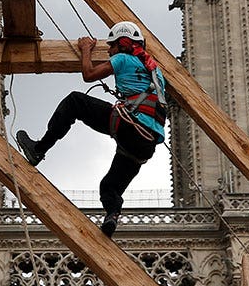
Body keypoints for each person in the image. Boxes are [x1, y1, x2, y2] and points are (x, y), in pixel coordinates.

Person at [15, 21, 167, 237]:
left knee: (75, 102)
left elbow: (88, 74)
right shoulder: (156, 72)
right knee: (109, 187)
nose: (109, 50)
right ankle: (112, 216)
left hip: (129, 125)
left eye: (111, 46)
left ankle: (38, 149)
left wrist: (86, 48)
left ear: (123, 44)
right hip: (146, 144)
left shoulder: (123, 58)